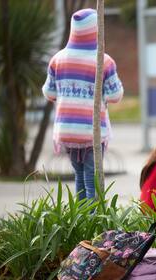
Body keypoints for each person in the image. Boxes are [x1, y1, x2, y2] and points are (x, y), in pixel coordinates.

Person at [42, 8, 123, 200]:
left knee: (79, 175)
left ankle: (79, 220)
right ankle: (92, 224)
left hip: (67, 130)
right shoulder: (104, 61)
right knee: (92, 178)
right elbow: (116, 95)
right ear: (96, 31)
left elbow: (49, 92)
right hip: (92, 131)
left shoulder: (57, 59)